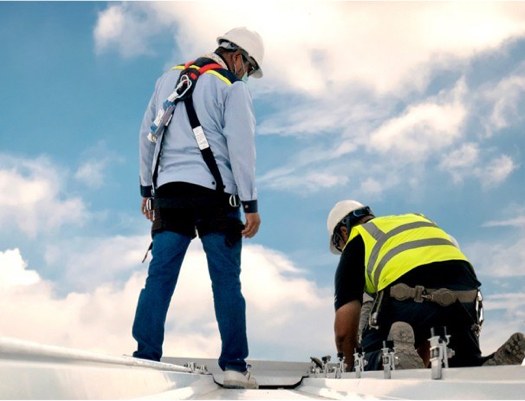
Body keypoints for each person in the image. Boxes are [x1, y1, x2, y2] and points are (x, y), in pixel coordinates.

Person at [132, 27, 264, 389]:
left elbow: (148, 133)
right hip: (216, 199)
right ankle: (235, 365)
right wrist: (250, 202)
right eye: (249, 68)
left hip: (170, 194)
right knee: (225, 281)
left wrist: (148, 189)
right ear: (237, 56)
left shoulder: (168, 79)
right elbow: (241, 148)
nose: (246, 76)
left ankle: (145, 357)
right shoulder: (231, 87)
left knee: (159, 277)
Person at [327, 200, 525, 371]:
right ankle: (485, 367)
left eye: (338, 243)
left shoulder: (358, 238)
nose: (342, 248)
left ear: (344, 231)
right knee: (461, 365)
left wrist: (351, 366)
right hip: (464, 295)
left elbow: (344, 332)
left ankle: (391, 358)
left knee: (371, 353)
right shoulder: (415, 219)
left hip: (409, 295)